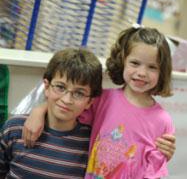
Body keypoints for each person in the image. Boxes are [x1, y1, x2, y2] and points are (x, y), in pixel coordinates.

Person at [23, 27, 176, 178]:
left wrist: (165, 155)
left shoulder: (163, 121)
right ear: (123, 62)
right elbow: (67, 108)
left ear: (162, 71)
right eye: (135, 63)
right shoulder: (103, 100)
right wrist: (38, 111)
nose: (142, 73)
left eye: (152, 67)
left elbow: (155, 170)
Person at [0, 48, 103, 178]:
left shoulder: (90, 142)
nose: (67, 100)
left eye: (79, 93)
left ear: (90, 102)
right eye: (60, 87)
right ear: (47, 87)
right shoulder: (14, 128)